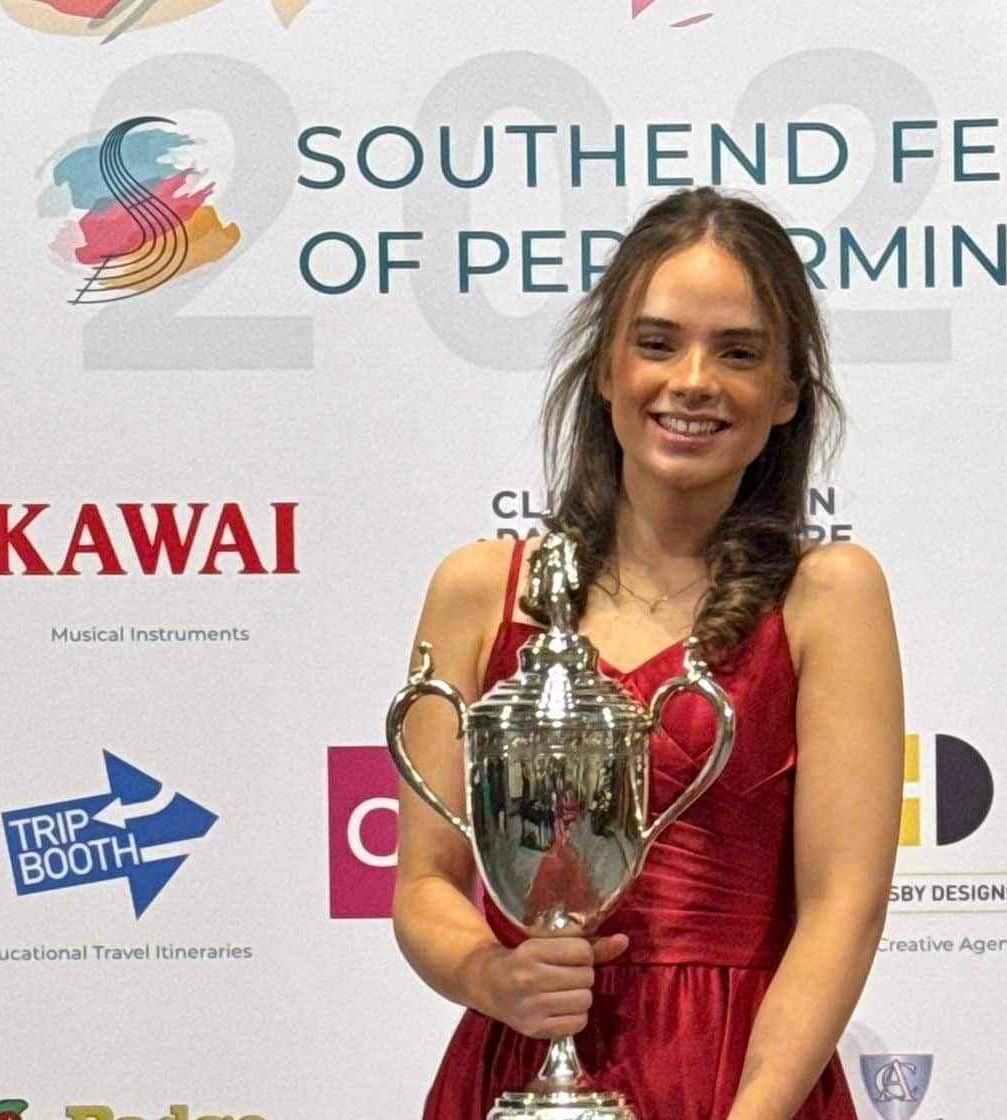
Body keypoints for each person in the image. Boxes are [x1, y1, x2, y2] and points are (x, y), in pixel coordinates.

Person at [393, 187, 904, 1120]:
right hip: (516, 1076)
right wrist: (495, 977)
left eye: (740, 352)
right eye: (657, 342)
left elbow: (844, 910)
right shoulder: (477, 591)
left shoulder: (832, 596)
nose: (694, 380)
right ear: (604, 368)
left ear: (789, 392)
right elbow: (424, 884)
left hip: (744, 1079)